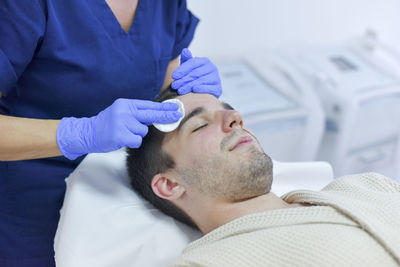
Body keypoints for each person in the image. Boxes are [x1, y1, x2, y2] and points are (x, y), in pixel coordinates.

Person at [0, 1, 223, 266]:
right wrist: (81, 133)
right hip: (27, 206)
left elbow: (162, 81)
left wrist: (189, 92)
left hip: (120, 191)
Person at [126, 87, 400, 267]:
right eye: (200, 125)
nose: (235, 117)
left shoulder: (363, 185)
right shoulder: (209, 262)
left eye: (227, 109)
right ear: (170, 184)